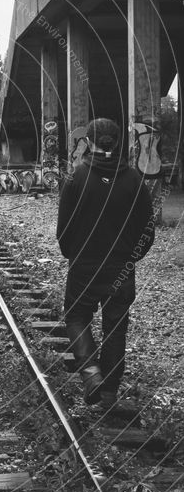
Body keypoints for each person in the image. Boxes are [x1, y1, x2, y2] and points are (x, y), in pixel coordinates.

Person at [57, 118, 155, 409]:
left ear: (88, 141)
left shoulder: (76, 178)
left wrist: (72, 253)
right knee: (116, 328)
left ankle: (91, 375)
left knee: (76, 317)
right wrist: (132, 256)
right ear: (117, 143)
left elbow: (64, 230)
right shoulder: (135, 180)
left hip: (85, 265)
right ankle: (109, 393)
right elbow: (147, 228)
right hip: (121, 268)